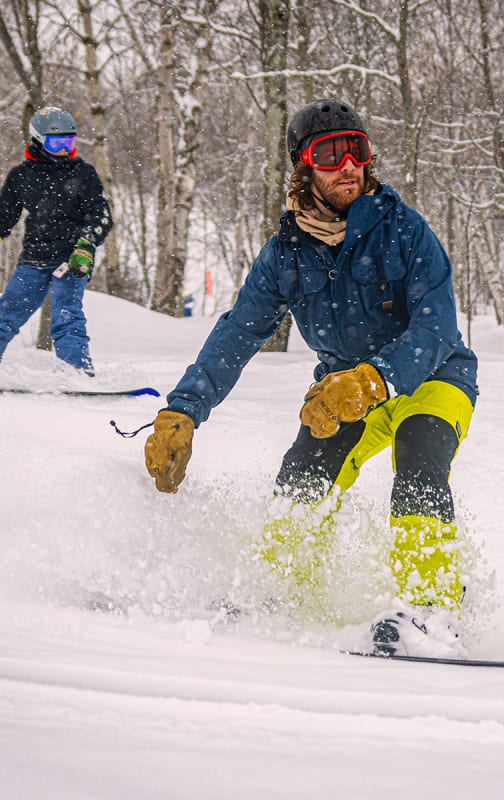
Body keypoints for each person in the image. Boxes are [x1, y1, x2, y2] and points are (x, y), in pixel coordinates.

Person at [143, 99, 478, 657]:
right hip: (342, 394)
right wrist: (184, 410)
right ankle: (277, 595)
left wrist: (378, 377)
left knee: (420, 466)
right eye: (330, 154)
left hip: (434, 379)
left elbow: (437, 325)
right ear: (303, 166)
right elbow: (237, 334)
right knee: (300, 481)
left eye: (358, 150)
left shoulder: (404, 229)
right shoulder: (286, 255)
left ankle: (431, 614)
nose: (348, 165)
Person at [0, 106, 112, 375]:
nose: (64, 149)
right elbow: (4, 216)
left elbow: (101, 215)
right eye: (57, 142)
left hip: (72, 257)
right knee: (7, 315)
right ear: (38, 139)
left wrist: (86, 244)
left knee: (66, 316)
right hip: (34, 258)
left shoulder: (82, 173)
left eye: (69, 142)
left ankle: (78, 374)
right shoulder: (22, 176)